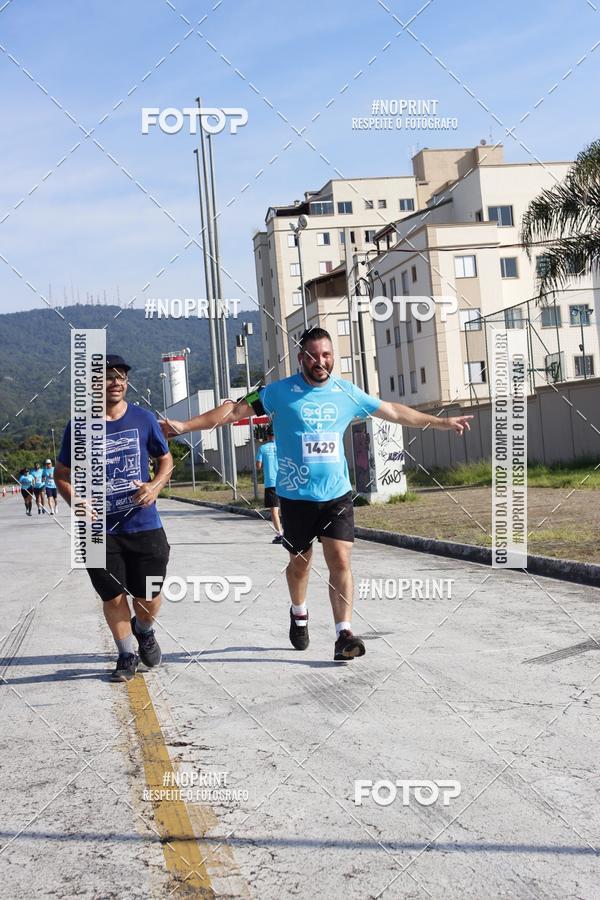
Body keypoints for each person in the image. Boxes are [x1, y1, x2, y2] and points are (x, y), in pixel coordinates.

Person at [162, 328, 473, 662]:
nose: (320, 361)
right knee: (300, 564)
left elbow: (393, 411)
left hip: (336, 495)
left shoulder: (346, 392)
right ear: (301, 359)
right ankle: (299, 612)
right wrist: (185, 426)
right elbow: (235, 411)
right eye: (313, 356)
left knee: (340, 559)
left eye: (326, 355)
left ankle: (344, 633)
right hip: (295, 498)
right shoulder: (276, 393)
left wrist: (441, 422)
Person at [55, 354, 173, 683]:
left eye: (121, 376)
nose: (117, 381)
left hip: (144, 525)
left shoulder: (144, 419)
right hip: (98, 531)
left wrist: (155, 485)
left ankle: (144, 630)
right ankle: (125, 654)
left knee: (148, 595)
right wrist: (75, 500)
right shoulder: (78, 427)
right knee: (113, 595)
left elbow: (166, 460)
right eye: (108, 376)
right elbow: (61, 474)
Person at [256, 427, 283, 543]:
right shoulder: (282, 446)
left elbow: (258, 466)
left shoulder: (262, 448)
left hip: (271, 483)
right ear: (276, 435)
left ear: (267, 436)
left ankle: (280, 534)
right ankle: (291, 534)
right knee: (287, 509)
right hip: (285, 482)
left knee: (274, 511)